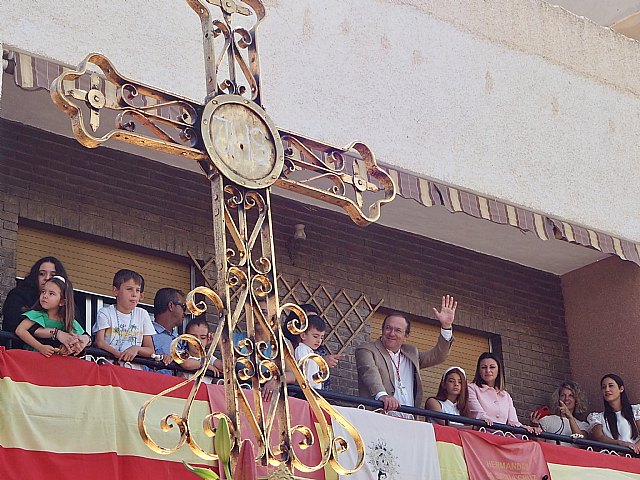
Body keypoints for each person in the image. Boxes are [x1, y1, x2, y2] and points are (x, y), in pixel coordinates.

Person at [355, 295, 457, 416]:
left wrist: (446, 327)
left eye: (398, 330)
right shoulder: (367, 349)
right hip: (380, 417)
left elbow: (438, 356)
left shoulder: (411, 353)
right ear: (382, 330)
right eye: (388, 328)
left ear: (406, 336)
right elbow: (369, 373)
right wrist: (382, 395)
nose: (391, 333)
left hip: (409, 420)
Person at [15, 276, 90, 357]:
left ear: (62, 302)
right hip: (33, 358)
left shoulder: (68, 321)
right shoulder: (37, 314)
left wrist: (71, 345)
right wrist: (40, 347)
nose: (45, 296)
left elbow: (83, 336)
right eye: (43, 291)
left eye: (51, 293)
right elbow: (20, 330)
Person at [93, 269, 155, 367]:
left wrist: (136, 348)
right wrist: (117, 354)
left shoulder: (142, 314)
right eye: (129, 289)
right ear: (115, 291)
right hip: (108, 367)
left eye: (138, 290)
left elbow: (150, 350)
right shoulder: (105, 312)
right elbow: (99, 342)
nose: (134, 294)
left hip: (133, 372)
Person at [2, 256, 68, 346]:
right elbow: (14, 323)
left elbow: (78, 329)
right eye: (42, 274)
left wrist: (86, 339)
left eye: (53, 275)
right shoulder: (18, 295)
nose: (47, 278)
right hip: (18, 352)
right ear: (35, 276)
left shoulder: (67, 304)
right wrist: (55, 333)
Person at [467, 352, 539, 434]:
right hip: (482, 435)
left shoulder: (506, 396)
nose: (488, 370)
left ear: (498, 371)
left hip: (503, 438)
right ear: (479, 371)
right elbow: (479, 415)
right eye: (483, 367)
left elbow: (513, 422)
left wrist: (524, 427)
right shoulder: (471, 388)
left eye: (492, 367)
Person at [588, 373, 640, 454]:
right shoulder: (598, 417)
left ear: (621, 389)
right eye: (604, 387)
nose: (607, 390)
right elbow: (599, 437)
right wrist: (620, 443)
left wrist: (635, 447)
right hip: (612, 460)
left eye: (611, 385)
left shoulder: (635, 411)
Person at [530, 381, 589, 445]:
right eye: (563, 395)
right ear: (558, 398)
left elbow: (581, 442)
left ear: (576, 400)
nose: (566, 398)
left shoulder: (582, 425)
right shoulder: (546, 420)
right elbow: (539, 444)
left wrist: (569, 416)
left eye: (571, 396)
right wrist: (534, 427)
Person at [145, 288, 187, 375]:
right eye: (183, 307)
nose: (185, 312)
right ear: (171, 306)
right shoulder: (146, 332)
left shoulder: (181, 339)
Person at [177, 317, 223, 383]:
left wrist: (219, 343)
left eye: (203, 337)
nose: (198, 341)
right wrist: (206, 366)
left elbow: (224, 367)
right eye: (193, 337)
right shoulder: (181, 353)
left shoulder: (209, 357)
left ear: (208, 339)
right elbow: (186, 364)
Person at [294, 314, 329, 390]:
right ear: (303, 335)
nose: (319, 340)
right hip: (305, 391)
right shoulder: (301, 349)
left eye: (321, 337)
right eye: (315, 336)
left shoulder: (312, 352)